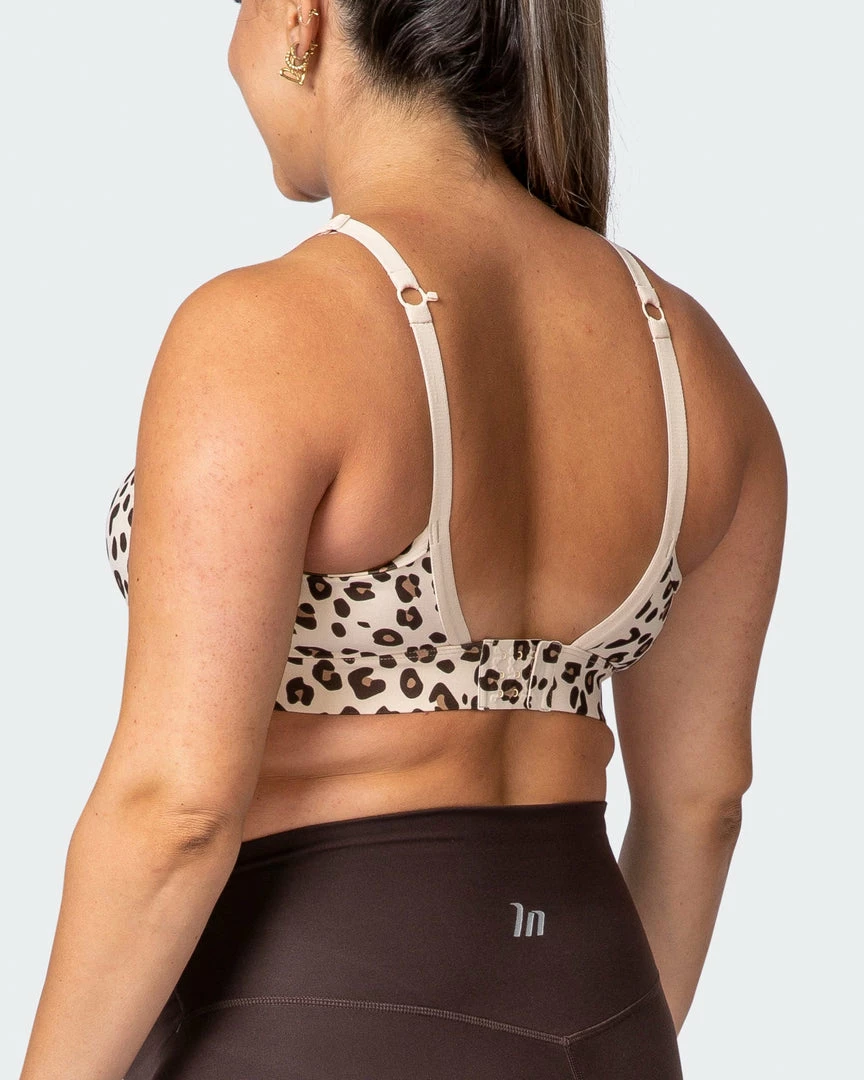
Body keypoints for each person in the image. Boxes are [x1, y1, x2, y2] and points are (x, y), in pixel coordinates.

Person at [19, 1, 787, 1078]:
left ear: (304, 20)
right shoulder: (698, 369)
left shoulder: (267, 333)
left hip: (312, 1020)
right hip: (605, 1018)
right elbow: (702, 806)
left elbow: (176, 812)